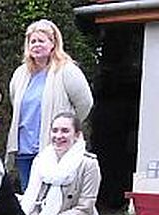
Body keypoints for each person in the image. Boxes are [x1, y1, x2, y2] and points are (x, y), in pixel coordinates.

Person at [7, 19, 94, 191]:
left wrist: (67, 127)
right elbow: (14, 102)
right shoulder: (20, 74)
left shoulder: (67, 70)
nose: (36, 45)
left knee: (52, 197)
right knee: (29, 198)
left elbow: (85, 103)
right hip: (25, 149)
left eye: (41, 41)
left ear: (53, 44)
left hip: (54, 147)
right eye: (32, 41)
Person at [20, 112, 103, 215]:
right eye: (55, 131)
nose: (59, 136)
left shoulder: (89, 164)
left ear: (77, 135)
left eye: (65, 131)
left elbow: (85, 209)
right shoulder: (41, 161)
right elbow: (31, 198)